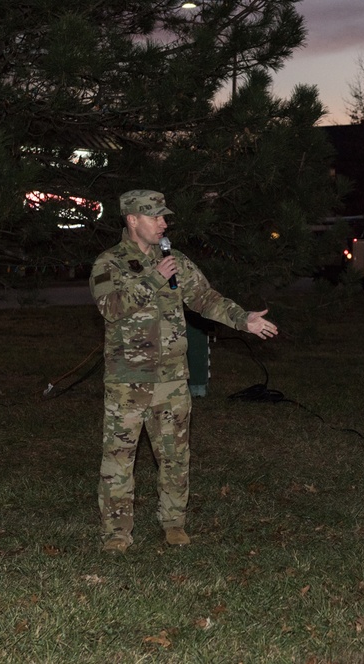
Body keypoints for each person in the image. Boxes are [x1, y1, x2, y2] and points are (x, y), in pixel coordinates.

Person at [89, 189, 278, 554]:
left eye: (164, 216)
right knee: (118, 460)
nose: (163, 222)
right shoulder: (108, 263)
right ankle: (116, 533)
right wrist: (155, 279)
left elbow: (206, 299)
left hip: (172, 380)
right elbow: (111, 308)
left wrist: (243, 319)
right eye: (155, 216)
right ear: (132, 220)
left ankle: (173, 523)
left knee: (175, 456)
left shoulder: (175, 260)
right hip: (127, 381)